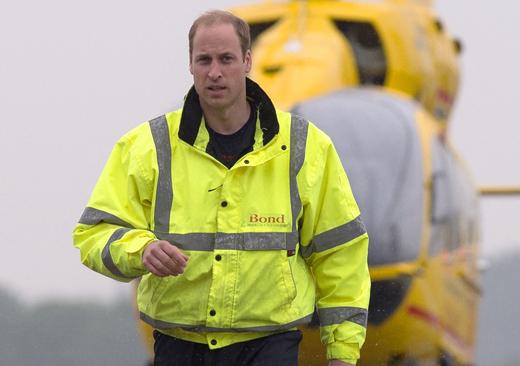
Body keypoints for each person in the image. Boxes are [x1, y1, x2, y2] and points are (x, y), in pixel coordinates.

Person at [72, 9, 370, 366]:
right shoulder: (147, 147)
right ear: (190, 65)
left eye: (226, 59)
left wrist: (342, 353)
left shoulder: (307, 147)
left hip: (270, 344)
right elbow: (93, 235)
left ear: (247, 61)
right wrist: (140, 250)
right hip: (179, 343)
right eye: (204, 60)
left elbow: (341, 254)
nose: (214, 72)